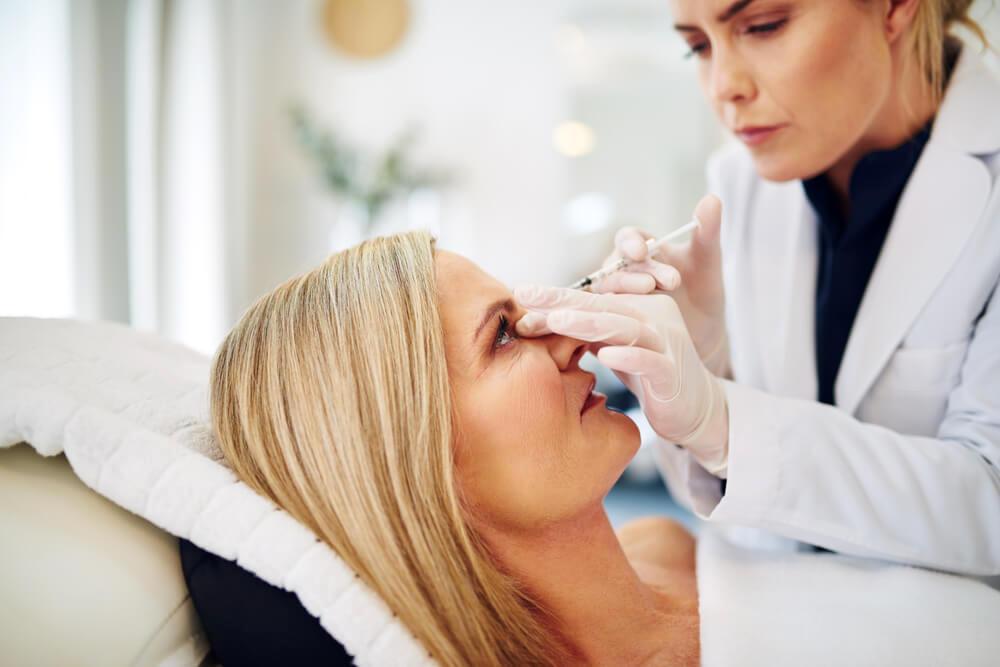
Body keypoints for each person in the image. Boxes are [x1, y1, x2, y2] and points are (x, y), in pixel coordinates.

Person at [517, 0, 1000, 575]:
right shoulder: (742, 181)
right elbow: (751, 508)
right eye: (698, 46)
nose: (724, 88)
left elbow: (989, 503)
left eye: (764, 26)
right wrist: (707, 364)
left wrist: (723, 423)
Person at [207, 231, 700, 666]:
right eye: (504, 336)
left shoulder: (672, 546)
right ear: (408, 457)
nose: (572, 335)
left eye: (531, 315)